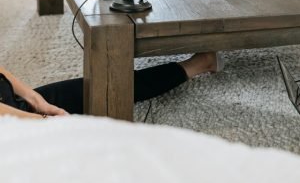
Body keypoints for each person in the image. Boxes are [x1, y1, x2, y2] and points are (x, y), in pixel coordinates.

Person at [0, 52, 222, 119]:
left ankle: (199, 64)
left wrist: (37, 101)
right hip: (11, 132)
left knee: (109, 86)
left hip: (14, 105)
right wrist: (43, 121)